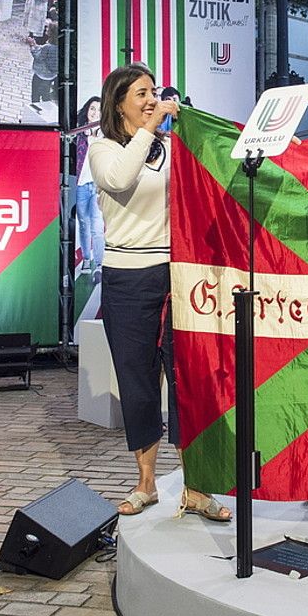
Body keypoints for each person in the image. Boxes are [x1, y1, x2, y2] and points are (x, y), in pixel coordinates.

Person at [89, 63, 230, 522]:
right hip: (127, 279)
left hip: (176, 276)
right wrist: (151, 128)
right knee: (138, 383)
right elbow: (119, 180)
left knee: (187, 381)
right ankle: (147, 484)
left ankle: (196, 486)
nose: (152, 99)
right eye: (142, 93)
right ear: (119, 103)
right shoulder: (103, 149)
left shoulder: (171, 149)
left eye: (154, 91)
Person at [74, 96, 105, 280]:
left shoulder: (106, 134)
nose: (95, 113)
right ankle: (86, 258)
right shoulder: (78, 132)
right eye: (92, 109)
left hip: (98, 186)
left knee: (97, 226)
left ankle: (99, 264)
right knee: (83, 224)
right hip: (80, 185)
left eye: (99, 110)